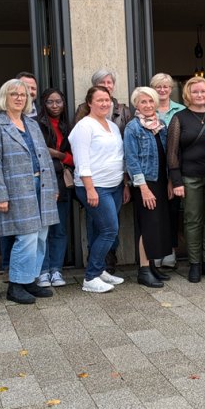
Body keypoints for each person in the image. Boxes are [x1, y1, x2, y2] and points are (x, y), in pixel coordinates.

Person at [0, 79, 59, 304]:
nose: (19, 98)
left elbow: (45, 157)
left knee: (40, 236)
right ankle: (16, 285)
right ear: (4, 98)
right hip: (17, 190)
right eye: (14, 94)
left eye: (23, 95)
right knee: (25, 237)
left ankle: (29, 281)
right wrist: (0, 195)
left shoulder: (32, 124)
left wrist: (53, 186)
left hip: (42, 186)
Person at [70, 86, 128, 293]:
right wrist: (90, 189)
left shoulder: (111, 126)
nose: (104, 103)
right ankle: (91, 277)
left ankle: (100, 270)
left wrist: (124, 183)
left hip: (114, 185)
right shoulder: (84, 126)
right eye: (100, 100)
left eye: (107, 100)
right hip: (95, 187)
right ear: (89, 103)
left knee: (98, 230)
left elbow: (118, 157)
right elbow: (81, 160)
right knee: (109, 230)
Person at [168, 77, 205, 282]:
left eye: (203, 91)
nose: (199, 95)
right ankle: (194, 263)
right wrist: (177, 181)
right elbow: (172, 152)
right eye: (195, 92)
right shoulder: (179, 118)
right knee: (192, 220)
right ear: (187, 95)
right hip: (189, 177)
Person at [124, 87, 173, 288]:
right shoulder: (132, 128)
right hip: (146, 182)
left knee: (158, 224)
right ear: (136, 104)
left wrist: (170, 180)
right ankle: (144, 270)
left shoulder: (160, 125)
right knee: (149, 225)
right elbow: (131, 160)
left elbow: (167, 155)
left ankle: (152, 266)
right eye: (143, 102)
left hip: (160, 181)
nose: (147, 105)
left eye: (150, 101)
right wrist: (143, 188)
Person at [35, 88, 72, 288]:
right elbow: (39, 151)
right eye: (50, 102)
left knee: (60, 229)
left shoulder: (68, 125)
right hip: (43, 181)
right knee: (43, 229)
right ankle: (42, 271)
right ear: (44, 104)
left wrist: (58, 155)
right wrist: (62, 156)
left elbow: (74, 157)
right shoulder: (37, 125)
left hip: (62, 182)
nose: (55, 105)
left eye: (59, 101)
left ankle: (56, 270)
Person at [74, 69, 134, 134]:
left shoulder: (124, 111)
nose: (106, 86)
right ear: (95, 86)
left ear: (113, 85)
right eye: (102, 82)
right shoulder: (82, 108)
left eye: (109, 82)